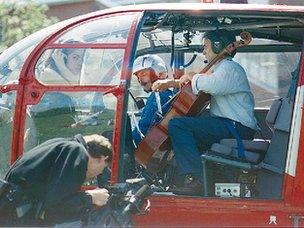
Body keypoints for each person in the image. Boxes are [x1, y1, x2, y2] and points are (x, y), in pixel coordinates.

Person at [152, 30, 258, 196]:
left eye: (206, 47)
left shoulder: (230, 68)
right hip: (229, 125)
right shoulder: (221, 70)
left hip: (236, 128)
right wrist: (173, 82)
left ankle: (196, 180)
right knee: (188, 134)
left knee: (178, 125)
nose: (203, 51)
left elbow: (210, 85)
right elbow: (200, 83)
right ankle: (202, 178)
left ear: (218, 46)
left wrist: (191, 75)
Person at [0, 134, 112, 226]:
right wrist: (91, 198)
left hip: (10, 210)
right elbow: (56, 204)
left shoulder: (60, 144)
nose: (100, 173)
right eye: (104, 167)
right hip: (17, 217)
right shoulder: (77, 151)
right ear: (102, 158)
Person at [131, 54, 175, 146]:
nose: (140, 80)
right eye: (138, 77)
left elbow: (143, 129)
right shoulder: (168, 95)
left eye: (143, 74)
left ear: (160, 74)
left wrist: (127, 143)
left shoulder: (157, 96)